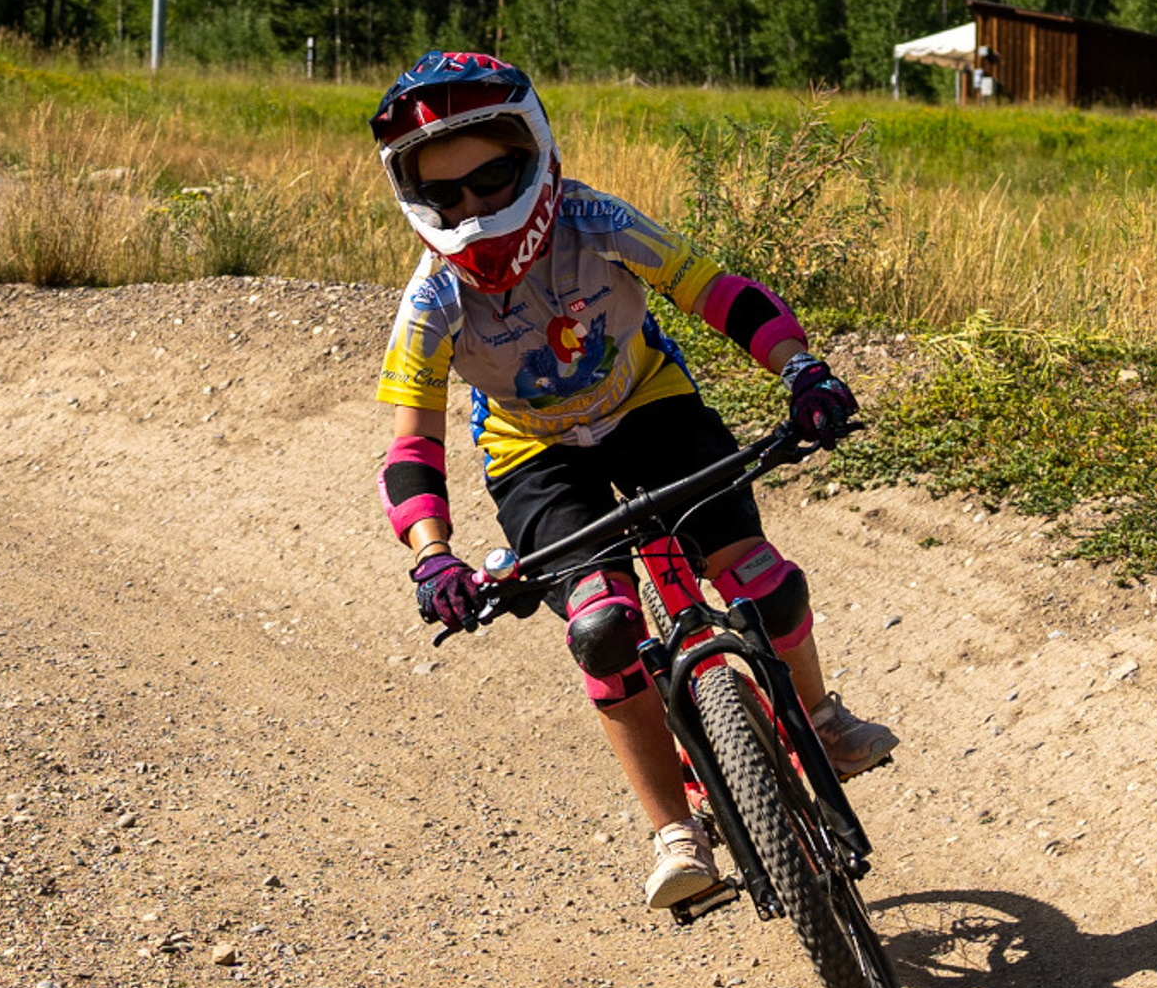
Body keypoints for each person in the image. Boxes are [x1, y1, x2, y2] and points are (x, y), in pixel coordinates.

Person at [368, 51, 897, 911]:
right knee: (604, 629)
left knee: (763, 582)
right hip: (534, 457)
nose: (469, 206)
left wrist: (804, 372)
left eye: (492, 176)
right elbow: (412, 444)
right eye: (445, 194)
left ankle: (820, 723)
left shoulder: (597, 222)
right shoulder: (432, 303)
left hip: (652, 409)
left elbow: (719, 294)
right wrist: (433, 557)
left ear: (533, 157)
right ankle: (673, 830)